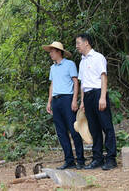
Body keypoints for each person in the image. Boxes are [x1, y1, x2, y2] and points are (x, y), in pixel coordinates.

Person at [76, 33, 117, 170]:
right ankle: (97, 158)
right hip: (87, 96)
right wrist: (82, 101)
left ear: (86, 42)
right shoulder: (82, 61)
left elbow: (103, 77)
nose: (77, 47)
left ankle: (111, 159)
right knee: (94, 128)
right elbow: (82, 83)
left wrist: (103, 97)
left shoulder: (98, 57)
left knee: (106, 126)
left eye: (78, 43)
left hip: (98, 93)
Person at [44, 41, 85, 170]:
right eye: (50, 51)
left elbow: (75, 82)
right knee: (61, 132)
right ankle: (69, 160)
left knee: (74, 130)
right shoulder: (52, 67)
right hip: (56, 100)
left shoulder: (69, 64)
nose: (50, 53)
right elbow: (52, 85)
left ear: (58, 52)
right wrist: (49, 101)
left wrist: (74, 100)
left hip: (67, 98)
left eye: (52, 51)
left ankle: (81, 160)